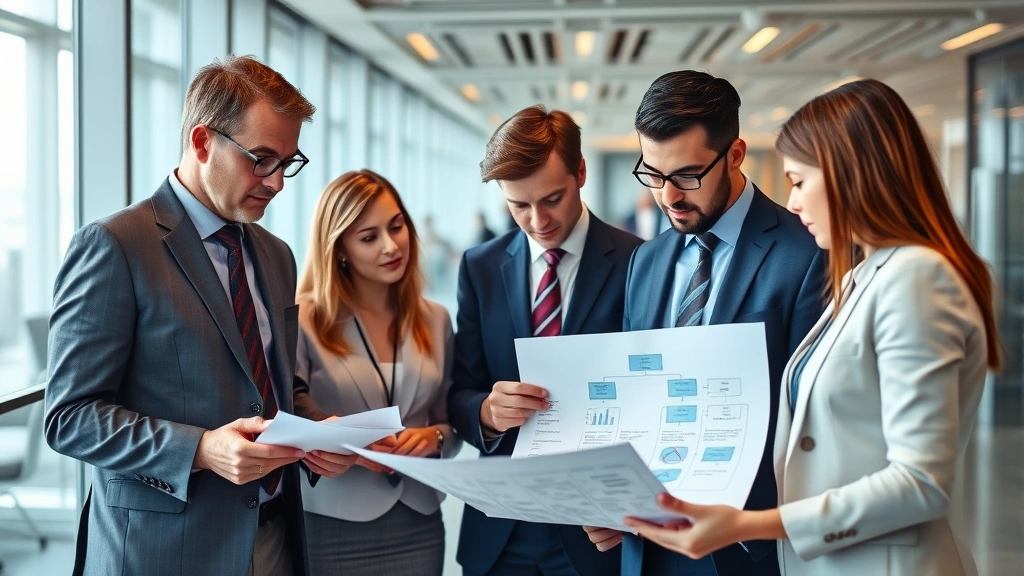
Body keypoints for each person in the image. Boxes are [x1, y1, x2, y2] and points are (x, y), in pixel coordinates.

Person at [619, 78, 1000, 576]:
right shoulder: (868, 274)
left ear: (851, 177)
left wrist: (747, 525)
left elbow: (921, 483)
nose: (792, 203)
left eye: (799, 181)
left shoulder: (916, 277)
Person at [43, 56, 354, 576]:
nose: (276, 183)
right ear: (203, 141)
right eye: (261, 159)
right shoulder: (116, 245)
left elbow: (275, 386)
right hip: (162, 550)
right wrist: (201, 450)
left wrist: (317, 432)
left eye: (287, 162)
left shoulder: (276, 254)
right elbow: (69, 417)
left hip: (275, 536)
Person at [583, 70, 825, 576]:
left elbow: (812, 423)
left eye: (687, 175)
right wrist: (614, 504)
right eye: (653, 174)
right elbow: (639, 396)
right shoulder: (647, 261)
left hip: (745, 546)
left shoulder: (806, 255)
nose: (668, 196)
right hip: (647, 540)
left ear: (734, 155)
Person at [447, 105, 643, 576]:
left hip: (598, 526)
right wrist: (487, 414)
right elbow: (460, 391)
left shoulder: (640, 261)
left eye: (552, 198)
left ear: (580, 172)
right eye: (518, 205)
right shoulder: (479, 267)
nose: (538, 221)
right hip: (503, 525)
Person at [295, 169, 462, 575]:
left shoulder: (435, 319)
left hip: (419, 520)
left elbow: (451, 421)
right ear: (340, 250)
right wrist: (349, 448)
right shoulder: (305, 319)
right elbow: (292, 416)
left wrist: (434, 437)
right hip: (334, 523)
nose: (391, 246)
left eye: (397, 226)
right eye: (369, 238)